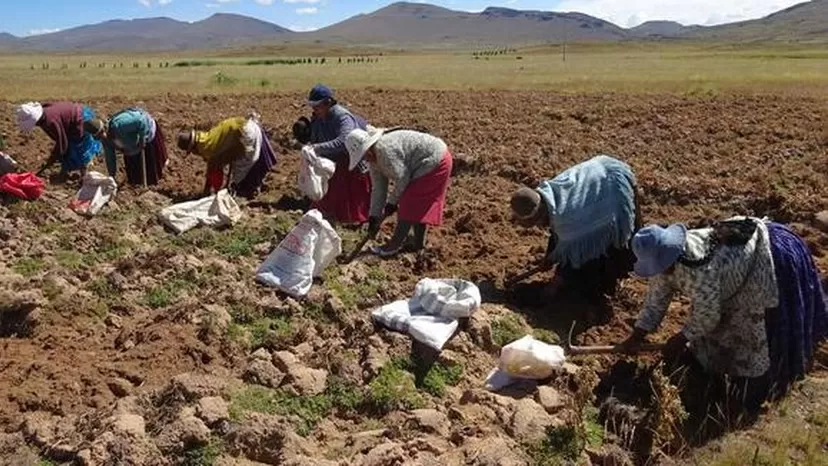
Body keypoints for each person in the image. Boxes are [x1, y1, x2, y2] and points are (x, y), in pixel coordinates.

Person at [621, 217, 827, 414]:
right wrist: (637, 335)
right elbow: (656, 300)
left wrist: (681, 338)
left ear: (670, 253)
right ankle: (716, 378)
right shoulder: (665, 266)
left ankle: (753, 394)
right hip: (725, 284)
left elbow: (708, 316)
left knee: (750, 341)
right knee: (710, 340)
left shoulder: (697, 268)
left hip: (760, 264)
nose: (660, 271)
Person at [509, 155, 640, 299]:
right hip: (602, 174)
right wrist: (550, 257)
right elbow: (559, 237)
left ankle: (602, 288)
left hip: (615, 187)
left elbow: (575, 252)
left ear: (538, 217)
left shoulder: (567, 219)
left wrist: (556, 283)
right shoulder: (549, 197)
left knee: (605, 252)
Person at [345, 126, 453, 257]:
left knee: (409, 201)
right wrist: (374, 216)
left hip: (435, 160)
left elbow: (403, 178)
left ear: (369, 147)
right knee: (415, 203)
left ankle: (394, 245)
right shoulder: (373, 161)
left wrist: (391, 203)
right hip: (422, 164)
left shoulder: (384, 150)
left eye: (364, 154)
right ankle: (418, 245)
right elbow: (378, 189)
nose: (365, 159)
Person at [293, 84, 371, 225]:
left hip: (352, 160)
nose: (314, 109)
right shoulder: (317, 118)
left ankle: (356, 220)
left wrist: (316, 148)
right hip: (333, 161)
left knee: (353, 195)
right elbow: (315, 138)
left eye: (317, 106)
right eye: (313, 106)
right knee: (329, 192)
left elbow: (344, 141)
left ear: (328, 103)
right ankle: (330, 215)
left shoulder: (342, 117)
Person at [177, 112, 277, 199]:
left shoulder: (207, 148)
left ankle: (247, 190)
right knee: (245, 164)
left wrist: (211, 192)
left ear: (193, 148)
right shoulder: (208, 137)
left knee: (242, 168)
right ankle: (252, 186)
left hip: (246, 135)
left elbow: (215, 170)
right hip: (250, 126)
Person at [15, 101, 102, 178]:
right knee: (66, 151)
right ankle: (66, 170)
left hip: (79, 119)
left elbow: (62, 143)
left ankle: (83, 175)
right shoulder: (44, 111)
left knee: (78, 149)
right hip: (74, 116)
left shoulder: (50, 121)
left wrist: (52, 159)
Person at [96, 107, 168, 186]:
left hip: (146, 132)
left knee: (151, 169)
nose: (103, 136)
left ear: (104, 128)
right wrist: (112, 176)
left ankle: (153, 185)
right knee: (135, 176)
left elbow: (141, 121)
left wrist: (142, 139)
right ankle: (138, 185)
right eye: (99, 136)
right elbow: (110, 157)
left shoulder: (120, 124)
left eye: (102, 133)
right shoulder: (106, 140)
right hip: (131, 148)